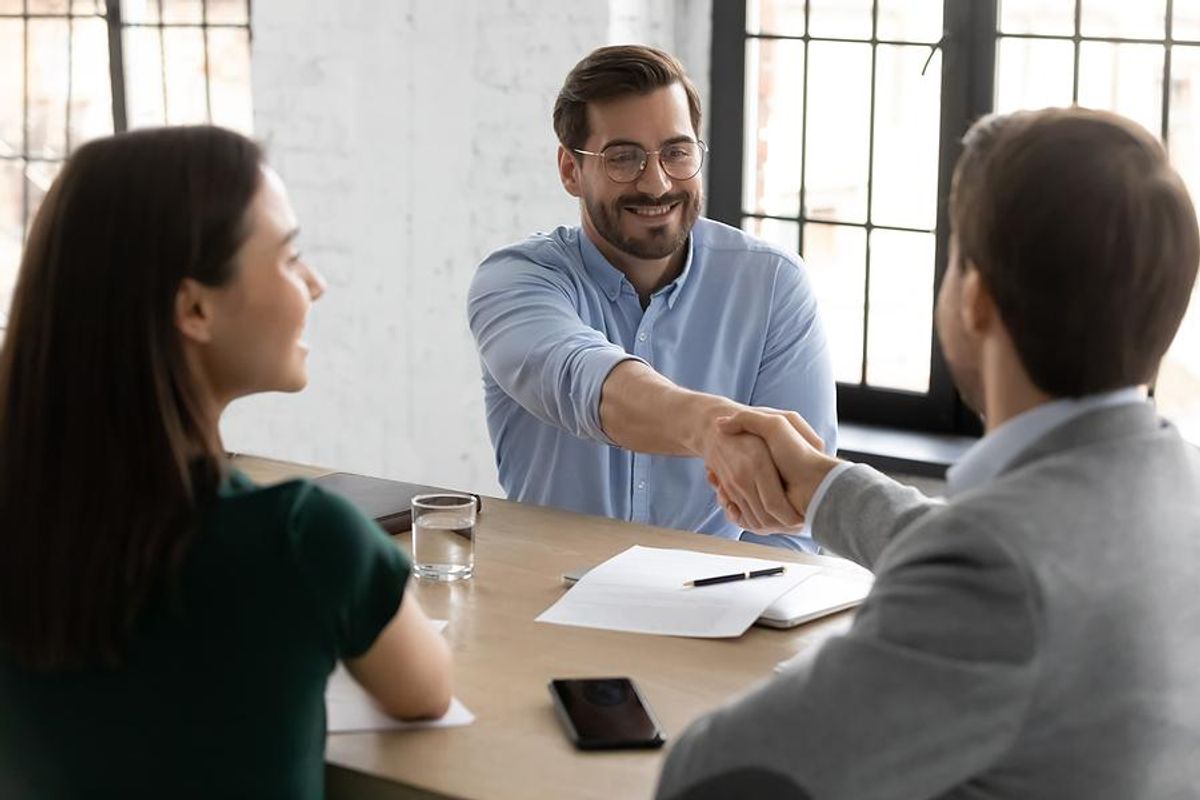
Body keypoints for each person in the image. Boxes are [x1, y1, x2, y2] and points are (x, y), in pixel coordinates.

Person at [657, 107, 1200, 798]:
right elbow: (1024, 556)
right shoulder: (1175, 485)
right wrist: (824, 487)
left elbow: (713, 776)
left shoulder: (993, 574)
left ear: (974, 298)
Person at [0, 126, 452, 799]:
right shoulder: (301, 538)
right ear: (194, 307)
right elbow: (426, 692)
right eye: (290, 256)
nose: (316, 284)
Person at [467, 45, 836, 552]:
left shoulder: (772, 285)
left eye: (676, 152)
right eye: (624, 158)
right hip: (544, 606)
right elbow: (582, 380)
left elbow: (793, 520)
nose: (657, 181)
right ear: (570, 170)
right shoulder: (514, 281)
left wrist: (755, 616)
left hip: (718, 605)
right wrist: (708, 428)